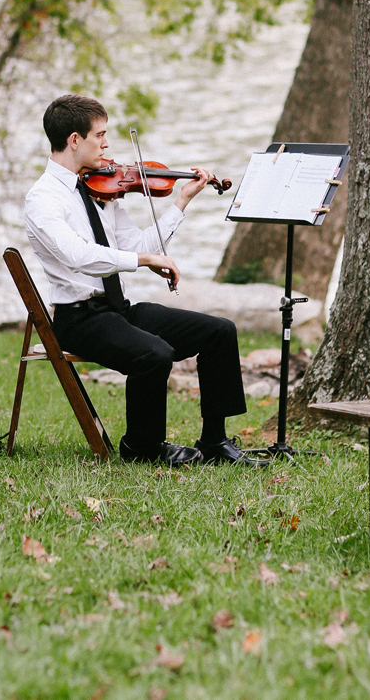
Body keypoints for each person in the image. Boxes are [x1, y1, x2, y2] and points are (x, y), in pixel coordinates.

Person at [25, 94, 269, 468]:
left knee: (219, 331)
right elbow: (79, 256)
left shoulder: (99, 190)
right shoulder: (43, 198)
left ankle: (215, 441)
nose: (107, 145)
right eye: (100, 135)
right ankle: (143, 446)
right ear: (75, 140)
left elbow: (139, 244)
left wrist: (181, 202)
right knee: (155, 355)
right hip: (80, 319)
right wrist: (143, 261)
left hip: (118, 310)